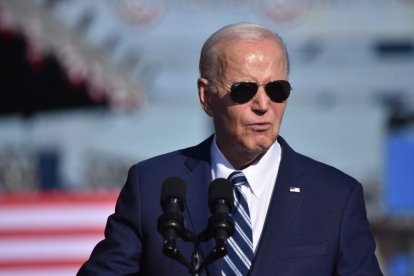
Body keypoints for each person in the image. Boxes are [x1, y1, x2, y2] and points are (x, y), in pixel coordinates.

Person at [78, 22, 383, 275]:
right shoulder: (151, 186)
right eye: (244, 90)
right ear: (206, 95)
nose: (263, 105)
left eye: (277, 89)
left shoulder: (336, 197)